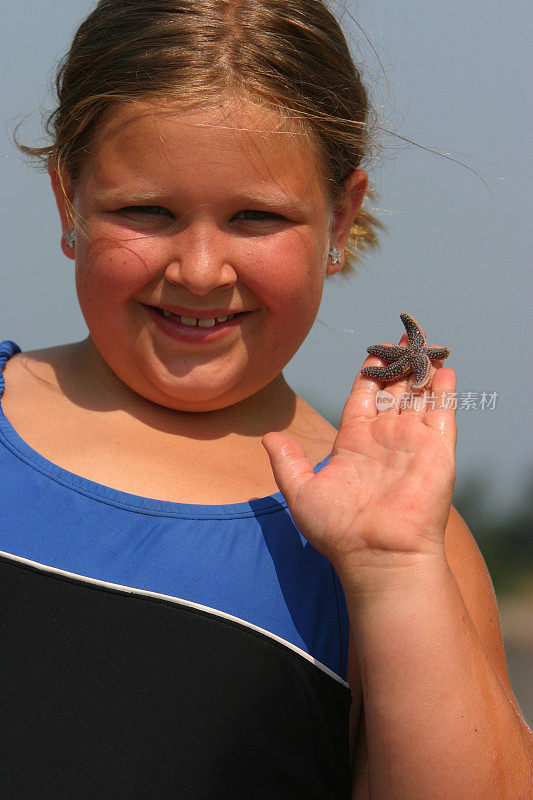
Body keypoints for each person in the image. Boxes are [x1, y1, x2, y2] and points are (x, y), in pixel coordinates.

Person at [1, 1, 530, 797]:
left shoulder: (402, 538)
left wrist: (392, 570)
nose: (201, 270)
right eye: (147, 211)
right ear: (67, 198)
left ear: (339, 218)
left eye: (256, 217)